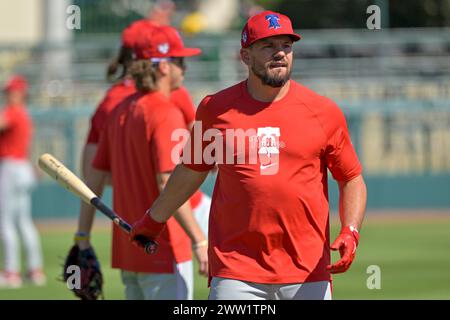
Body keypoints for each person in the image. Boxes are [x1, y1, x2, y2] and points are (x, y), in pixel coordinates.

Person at [130, 11, 367, 300]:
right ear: (245, 56)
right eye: (268, 46)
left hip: (308, 270)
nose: (280, 53)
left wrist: (350, 230)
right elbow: (191, 170)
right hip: (236, 269)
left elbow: (351, 177)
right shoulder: (215, 109)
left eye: (286, 46)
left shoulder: (324, 112)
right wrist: (154, 219)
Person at [77, 25, 208, 300]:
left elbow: (94, 179)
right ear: (162, 67)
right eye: (179, 61)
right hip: (164, 245)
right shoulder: (165, 112)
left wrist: (83, 236)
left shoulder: (118, 111)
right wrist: (200, 239)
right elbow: (167, 184)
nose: (184, 68)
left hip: (129, 251)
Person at [0, 75, 46, 288]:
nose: (8, 95)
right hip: (22, 168)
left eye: (11, 91)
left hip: (10, 167)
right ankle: (35, 270)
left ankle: (11, 273)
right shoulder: (25, 115)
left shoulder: (13, 112)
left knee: (6, 222)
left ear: (20, 93)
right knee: (23, 222)